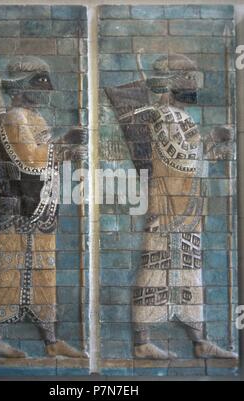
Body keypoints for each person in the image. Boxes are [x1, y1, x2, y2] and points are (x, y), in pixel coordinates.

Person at [0, 56, 87, 358]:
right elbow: (29, 161)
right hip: (19, 209)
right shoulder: (15, 118)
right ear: (22, 87)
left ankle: (50, 340)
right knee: (9, 270)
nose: (46, 92)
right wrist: (61, 145)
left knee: (44, 273)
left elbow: (46, 158)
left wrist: (71, 149)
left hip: (43, 208)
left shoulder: (37, 119)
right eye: (39, 85)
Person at [117, 54, 237, 360]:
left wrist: (216, 146)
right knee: (155, 270)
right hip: (168, 206)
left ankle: (199, 341)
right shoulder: (163, 115)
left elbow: (194, 157)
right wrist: (212, 138)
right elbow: (178, 157)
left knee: (189, 272)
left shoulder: (182, 117)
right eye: (187, 79)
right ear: (171, 84)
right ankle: (142, 342)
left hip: (187, 207)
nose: (193, 85)